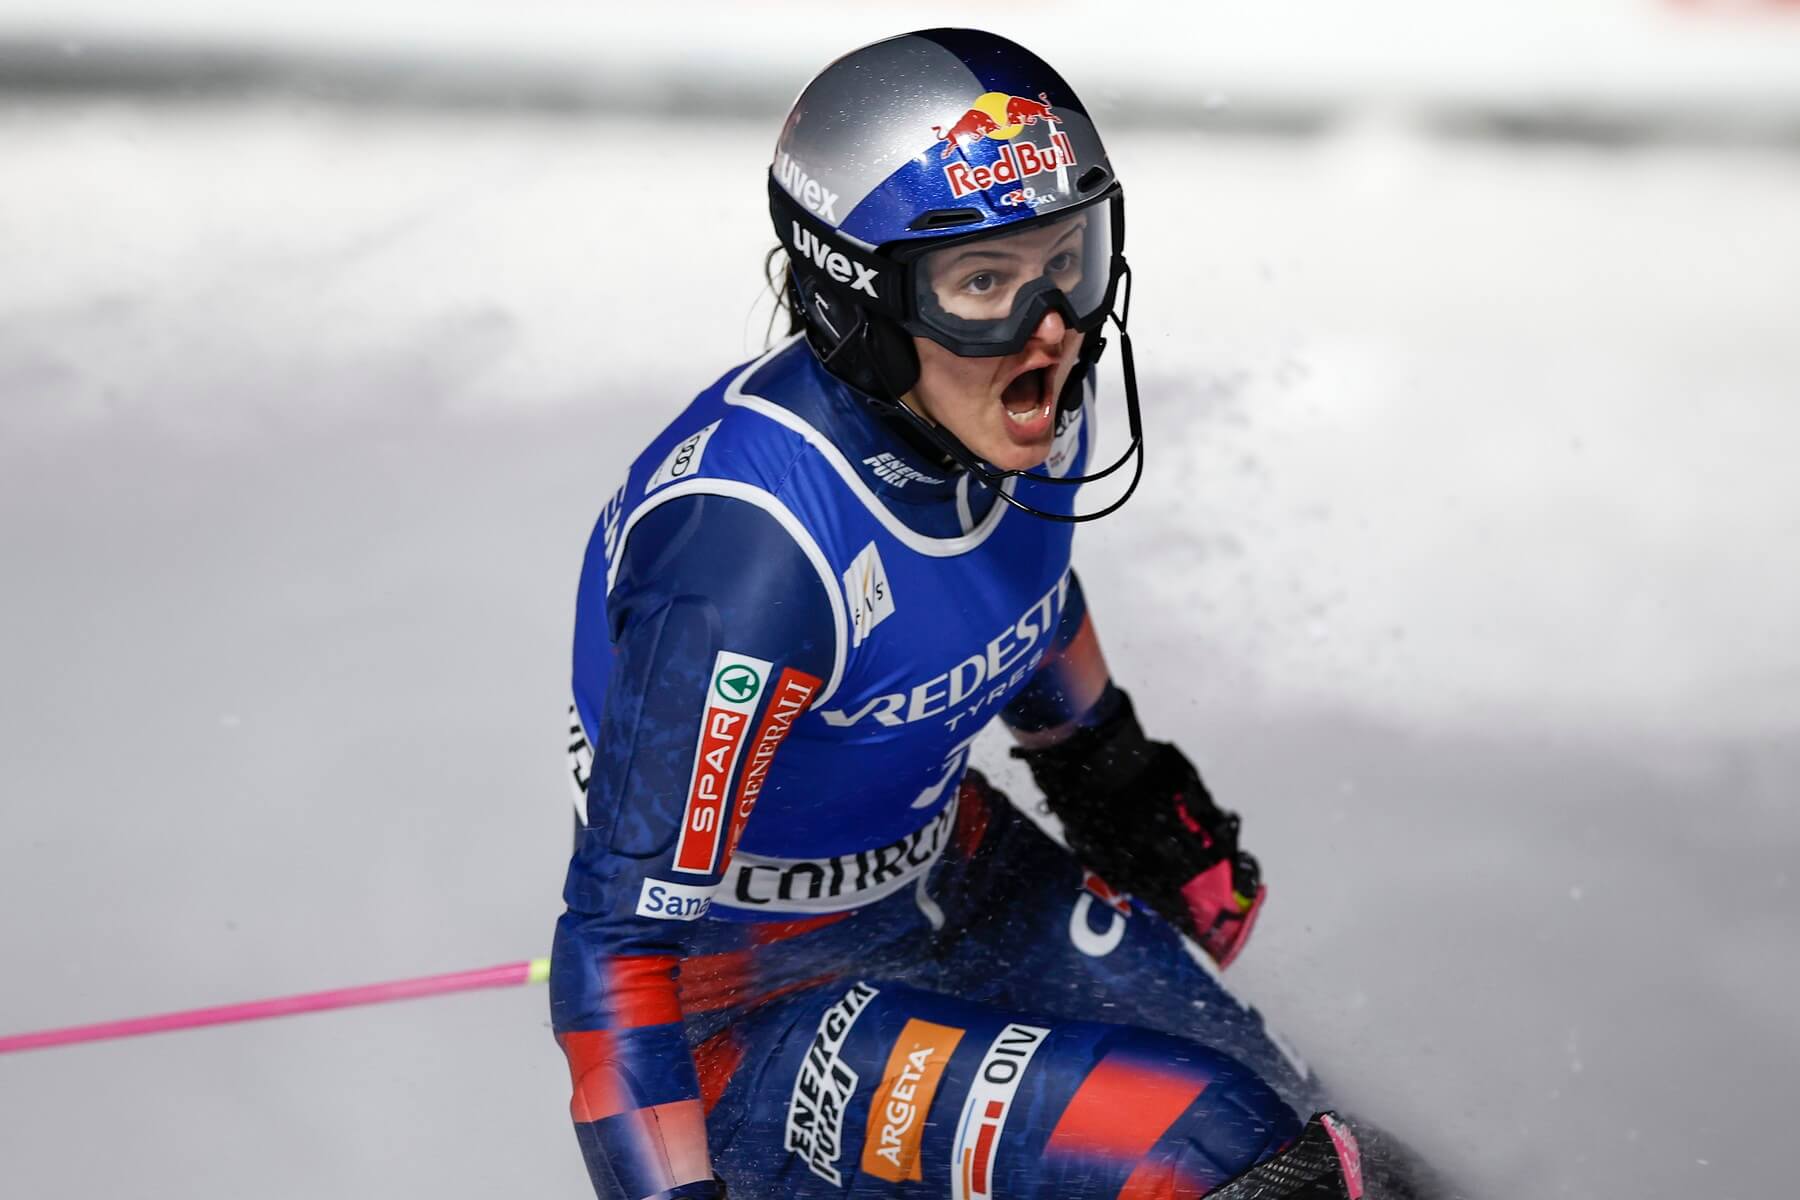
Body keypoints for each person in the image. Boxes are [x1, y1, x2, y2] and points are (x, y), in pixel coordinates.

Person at [551, 29, 1369, 1200]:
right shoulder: (750, 565)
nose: (1052, 328)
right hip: (755, 1007)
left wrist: (1105, 764)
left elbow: (1002, 582)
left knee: (1331, 1146)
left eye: (1067, 261)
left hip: (956, 878)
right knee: (1213, 1149)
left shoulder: (1011, 401)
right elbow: (620, 951)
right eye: (984, 283)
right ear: (856, 301)